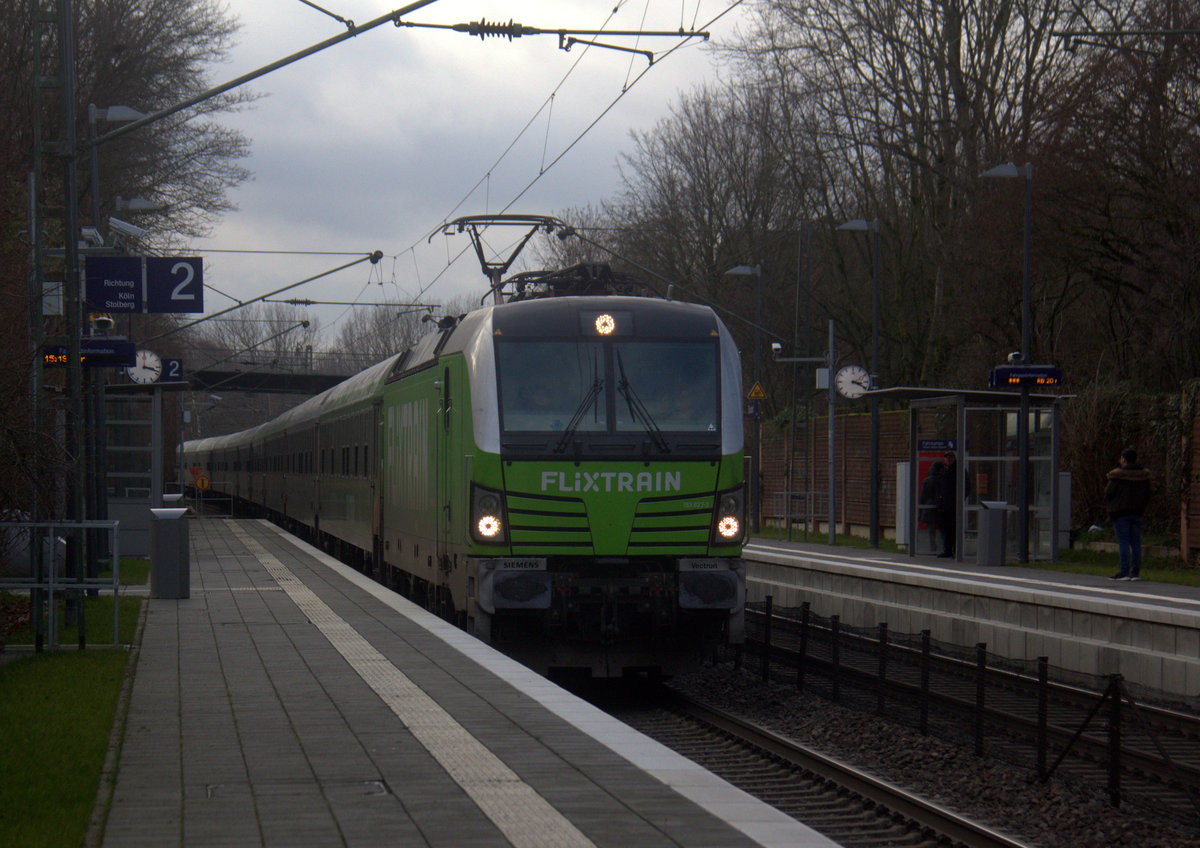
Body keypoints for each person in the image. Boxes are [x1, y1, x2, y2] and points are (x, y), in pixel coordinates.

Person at [1105, 448, 1153, 580]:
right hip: (1138, 512)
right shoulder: (1144, 476)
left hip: (1120, 512)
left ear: (1124, 459)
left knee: (1123, 542)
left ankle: (1124, 571)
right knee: (1136, 543)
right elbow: (1148, 494)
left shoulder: (1117, 476)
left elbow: (1109, 493)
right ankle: (1135, 573)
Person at [919, 461, 945, 553]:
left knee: (931, 530)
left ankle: (932, 547)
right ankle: (944, 547)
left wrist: (920, 510)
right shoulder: (941, 480)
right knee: (943, 529)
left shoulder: (927, 480)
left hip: (928, 507)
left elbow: (922, 497)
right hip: (940, 506)